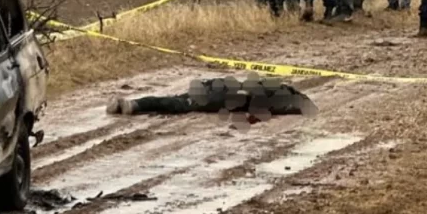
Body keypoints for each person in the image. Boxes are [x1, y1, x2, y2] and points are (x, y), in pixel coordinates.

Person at [106, 75, 317, 118]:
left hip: (216, 89)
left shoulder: (273, 92)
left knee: (178, 101)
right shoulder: (272, 97)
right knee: (179, 103)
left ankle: (132, 104)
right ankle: (132, 105)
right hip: (217, 94)